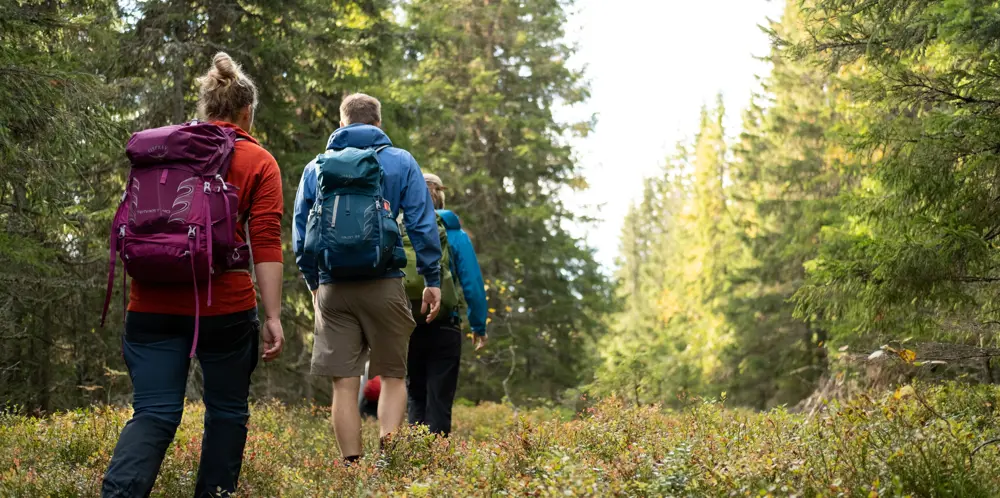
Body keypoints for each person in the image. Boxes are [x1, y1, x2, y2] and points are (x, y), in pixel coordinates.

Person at [102, 53, 285, 497]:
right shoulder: (257, 160)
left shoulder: (161, 151)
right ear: (247, 112)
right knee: (225, 412)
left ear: (205, 108)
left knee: (154, 412)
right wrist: (274, 315)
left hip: (149, 302)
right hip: (223, 307)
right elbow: (264, 241)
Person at [292, 93, 442, 463]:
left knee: (344, 384)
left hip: (333, 287)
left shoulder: (316, 166)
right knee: (392, 375)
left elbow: (299, 231)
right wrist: (431, 277)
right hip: (384, 280)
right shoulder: (400, 161)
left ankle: (349, 469)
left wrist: (314, 282)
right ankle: (387, 463)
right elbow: (422, 224)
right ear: (378, 123)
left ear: (342, 123)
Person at [406, 173, 488, 436]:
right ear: (441, 197)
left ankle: (412, 464)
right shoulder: (455, 235)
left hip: (408, 322)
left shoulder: (402, 229)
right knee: (439, 400)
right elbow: (473, 284)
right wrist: (478, 325)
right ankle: (437, 466)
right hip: (445, 325)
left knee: (415, 395)